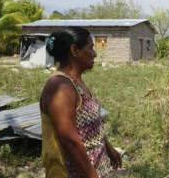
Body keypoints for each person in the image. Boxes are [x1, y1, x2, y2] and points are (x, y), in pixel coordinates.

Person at [40, 27, 122, 178]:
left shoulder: (76, 83)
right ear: (75, 50)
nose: (95, 53)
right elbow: (70, 141)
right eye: (90, 47)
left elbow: (87, 125)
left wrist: (108, 148)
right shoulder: (59, 87)